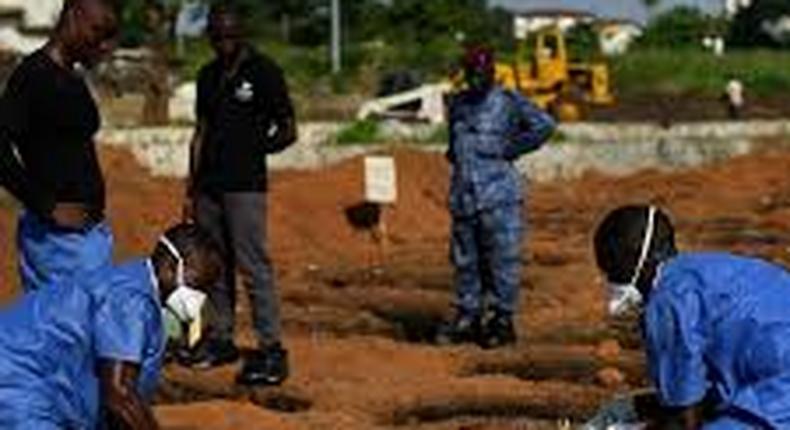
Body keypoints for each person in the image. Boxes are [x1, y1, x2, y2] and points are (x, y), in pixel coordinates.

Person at [0, 223, 223, 429]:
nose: (201, 297)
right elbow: (120, 395)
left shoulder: (136, 287)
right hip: (17, 382)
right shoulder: (130, 300)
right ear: (170, 267)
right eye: (198, 286)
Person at [594, 204, 790, 428]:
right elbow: (706, 396)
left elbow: (684, 417)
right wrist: (635, 407)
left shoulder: (667, 300)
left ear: (640, 261)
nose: (610, 278)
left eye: (612, 266)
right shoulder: (704, 270)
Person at [183, 3, 297, 385]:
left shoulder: (264, 72)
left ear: (242, 34)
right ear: (209, 36)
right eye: (217, 36)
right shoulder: (207, 75)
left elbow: (288, 129)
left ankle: (271, 349)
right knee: (215, 265)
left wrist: (254, 151)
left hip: (245, 188)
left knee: (253, 265)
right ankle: (221, 338)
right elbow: (200, 131)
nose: (224, 42)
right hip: (208, 188)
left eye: (230, 35)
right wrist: (190, 186)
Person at [437, 45, 556, 348]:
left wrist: (513, 148)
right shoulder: (458, 105)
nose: (476, 79)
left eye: (482, 73)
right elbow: (454, 144)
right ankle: (468, 315)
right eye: (471, 73)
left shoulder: (507, 101)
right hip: (464, 195)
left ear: (491, 72)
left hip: (499, 197)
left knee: (502, 260)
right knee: (466, 261)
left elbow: (544, 125)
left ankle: (501, 319)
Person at [0, 0, 118, 292]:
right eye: (99, 32)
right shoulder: (33, 77)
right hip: (56, 243)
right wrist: (45, 205)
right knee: (71, 332)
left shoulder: (73, 79)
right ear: (74, 16)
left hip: (87, 238)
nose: (105, 46)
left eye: (110, 37)